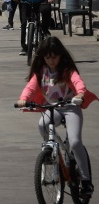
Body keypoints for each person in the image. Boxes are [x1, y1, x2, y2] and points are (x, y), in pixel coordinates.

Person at [16, 36, 96, 195]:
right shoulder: (41, 72)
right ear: (42, 57)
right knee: (42, 124)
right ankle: (49, 150)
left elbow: (78, 82)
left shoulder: (67, 70)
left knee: (75, 142)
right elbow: (30, 87)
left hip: (71, 107)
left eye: (54, 57)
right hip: (53, 108)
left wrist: (80, 94)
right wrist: (23, 99)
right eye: (47, 57)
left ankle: (86, 180)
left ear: (61, 55)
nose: (51, 61)